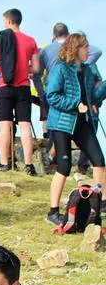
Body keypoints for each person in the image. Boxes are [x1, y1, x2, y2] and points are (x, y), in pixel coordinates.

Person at [45, 33, 106, 225]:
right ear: (75, 48)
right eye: (85, 46)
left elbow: (93, 97)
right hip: (62, 123)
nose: (89, 50)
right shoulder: (61, 69)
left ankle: (101, 205)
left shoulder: (88, 70)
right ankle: (53, 212)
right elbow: (51, 96)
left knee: (99, 161)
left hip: (82, 123)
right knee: (64, 166)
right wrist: (74, 104)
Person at [0, 9, 39, 175]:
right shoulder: (31, 41)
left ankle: (4, 163)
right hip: (23, 87)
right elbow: (36, 68)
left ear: (9, 21)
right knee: (25, 124)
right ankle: (28, 165)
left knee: (5, 123)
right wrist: (25, 69)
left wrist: (4, 68)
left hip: (4, 85)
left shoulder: (0, 39)